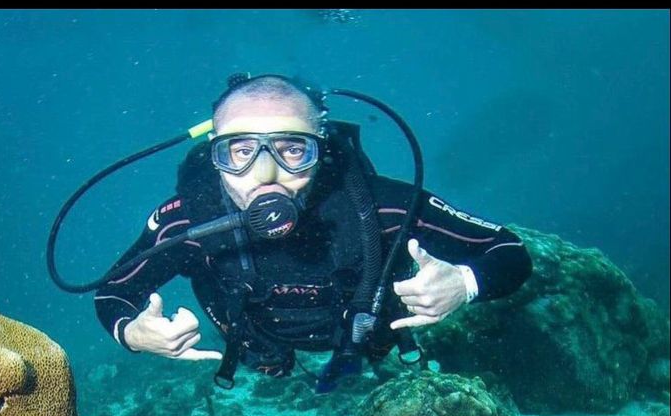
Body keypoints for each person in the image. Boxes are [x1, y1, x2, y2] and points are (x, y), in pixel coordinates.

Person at [94, 74, 532, 389]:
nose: (266, 175)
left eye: (291, 149)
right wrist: (134, 333)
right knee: (268, 364)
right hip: (258, 349)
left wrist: (464, 283)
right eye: (241, 151)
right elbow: (112, 292)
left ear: (320, 151)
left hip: (362, 337)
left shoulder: (380, 205)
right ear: (214, 156)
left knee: (362, 356)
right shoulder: (188, 220)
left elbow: (509, 251)